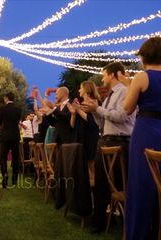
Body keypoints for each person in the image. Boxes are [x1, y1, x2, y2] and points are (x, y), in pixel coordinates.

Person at [82, 62, 136, 233]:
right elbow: (103, 122)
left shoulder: (125, 91)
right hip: (105, 140)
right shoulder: (109, 96)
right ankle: (99, 221)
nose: (102, 77)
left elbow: (121, 116)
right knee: (101, 183)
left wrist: (97, 108)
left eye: (104, 74)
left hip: (120, 143)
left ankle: (124, 222)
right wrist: (93, 111)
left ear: (112, 75)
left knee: (118, 184)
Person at [121, 37, 161, 240]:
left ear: (145, 56)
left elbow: (127, 109)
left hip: (146, 131)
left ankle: (138, 234)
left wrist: (129, 85)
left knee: (141, 185)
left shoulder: (141, 77)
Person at [67, 81, 101, 186]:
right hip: (79, 137)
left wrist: (79, 110)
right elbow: (72, 125)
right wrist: (73, 114)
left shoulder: (94, 102)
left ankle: (96, 192)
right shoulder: (80, 104)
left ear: (86, 89)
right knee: (83, 166)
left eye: (80, 88)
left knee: (92, 165)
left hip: (90, 138)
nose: (79, 90)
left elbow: (93, 123)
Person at [0, 92, 22, 188]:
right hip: (15, 136)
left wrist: (1, 126)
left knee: (3, 156)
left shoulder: (2, 109)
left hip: (5, 136)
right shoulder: (18, 109)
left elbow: (0, 122)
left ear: (6, 98)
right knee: (15, 157)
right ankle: (15, 179)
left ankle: (5, 175)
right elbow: (17, 121)